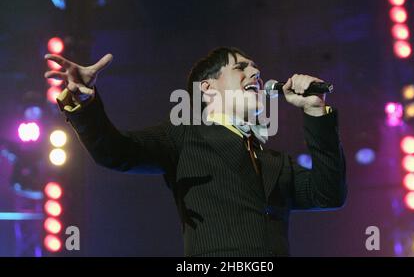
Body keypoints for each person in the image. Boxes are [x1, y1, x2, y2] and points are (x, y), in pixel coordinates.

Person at [44, 47, 347, 257]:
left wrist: (315, 110)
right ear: (207, 88)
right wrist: (84, 104)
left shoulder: (275, 162)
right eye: (240, 67)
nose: (255, 72)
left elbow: (329, 193)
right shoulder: (185, 136)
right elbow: (116, 153)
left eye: (256, 68)